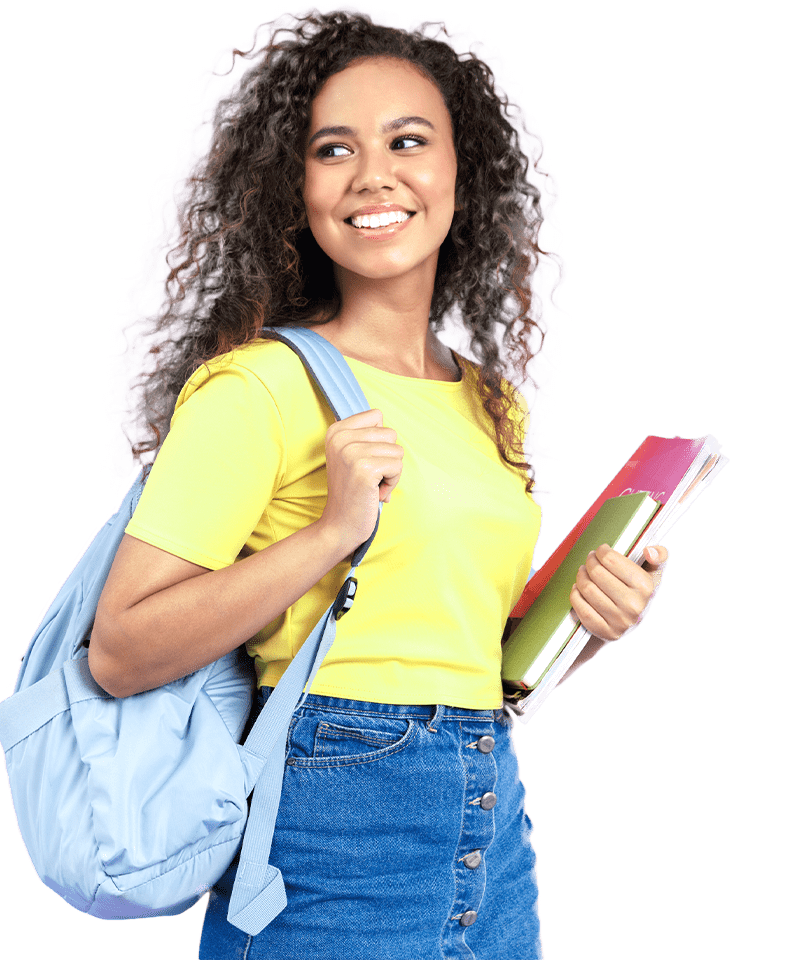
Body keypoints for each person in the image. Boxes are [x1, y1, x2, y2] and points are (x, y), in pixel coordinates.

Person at [90, 6, 669, 958]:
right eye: (332, 149)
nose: (374, 176)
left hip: (492, 818)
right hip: (330, 822)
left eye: (409, 140)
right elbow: (119, 650)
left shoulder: (495, 407)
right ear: (294, 186)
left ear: (460, 176)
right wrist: (329, 532)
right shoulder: (260, 389)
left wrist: (593, 621)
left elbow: (482, 664)